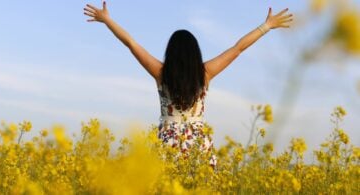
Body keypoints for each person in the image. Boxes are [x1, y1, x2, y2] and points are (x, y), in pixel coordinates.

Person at [84, 1, 293, 169]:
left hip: (168, 145)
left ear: (170, 52)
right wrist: (266, 26)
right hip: (198, 146)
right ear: (195, 53)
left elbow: (131, 44)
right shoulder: (204, 74)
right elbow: (237, 48)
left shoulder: (161, 73)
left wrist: (107, 20)